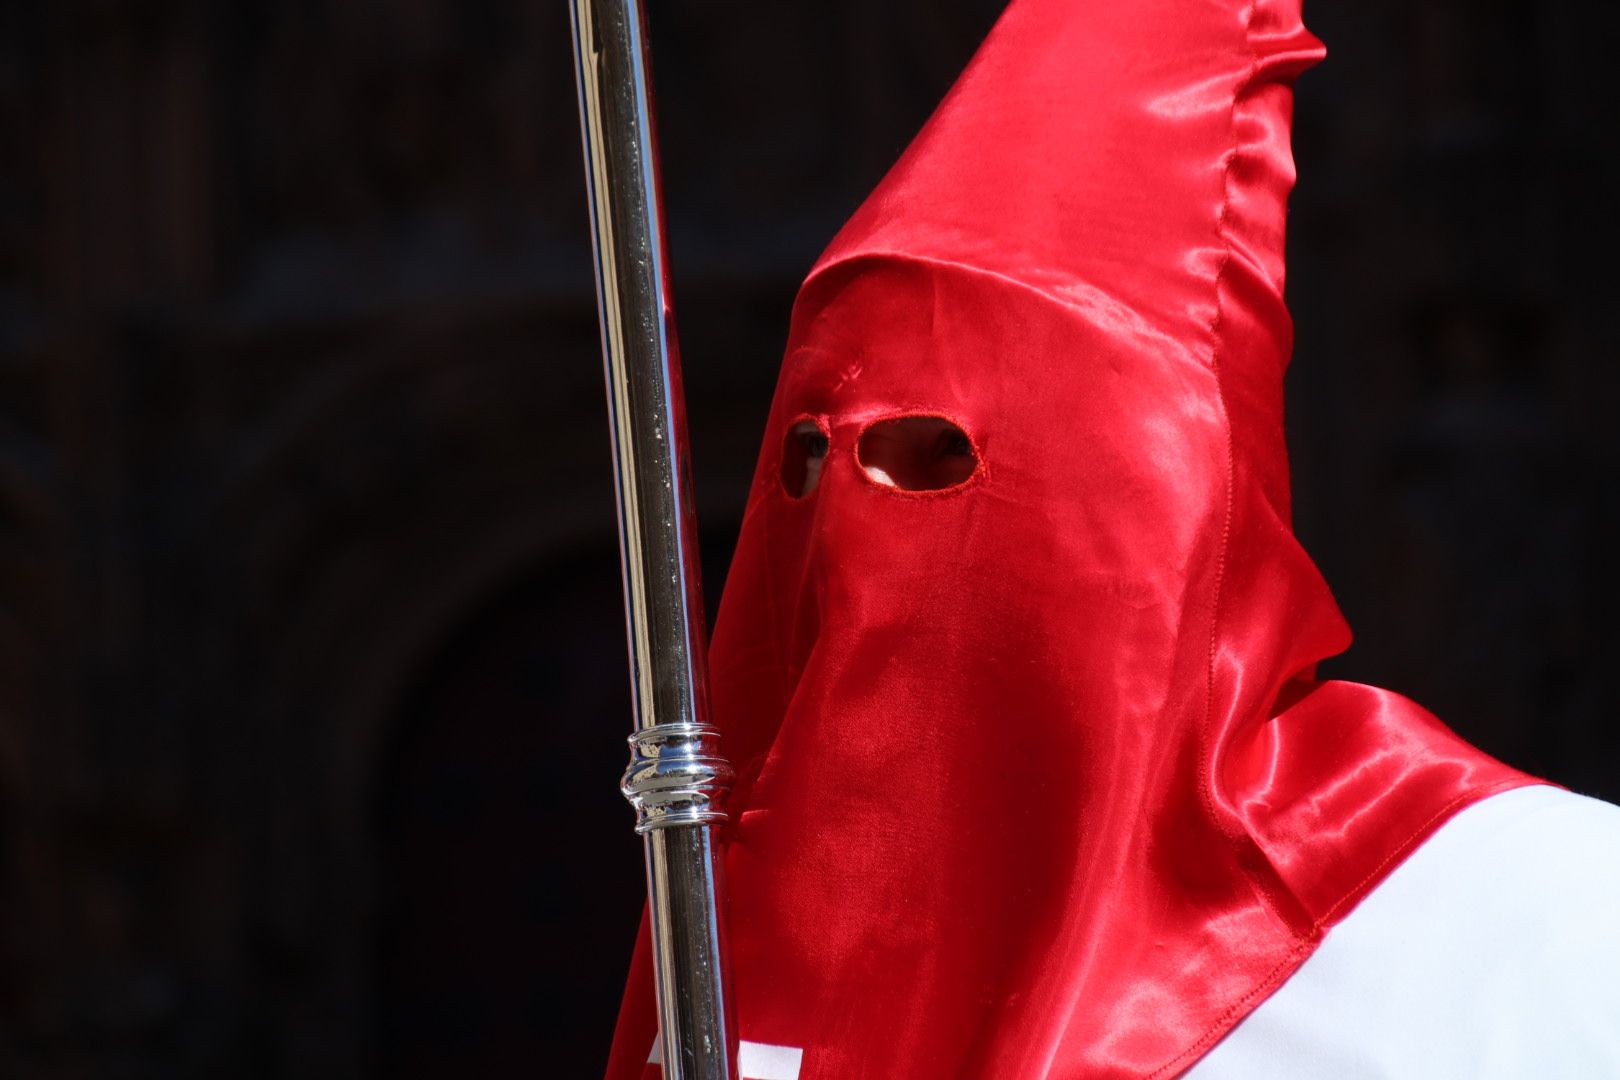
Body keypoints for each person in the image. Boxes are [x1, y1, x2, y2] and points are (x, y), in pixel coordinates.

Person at [605, 0, 1620, 1075]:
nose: (858, 532)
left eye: (941, 450)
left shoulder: (1534, 921)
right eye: (809, 462)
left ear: (1153, 484)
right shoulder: (727, 963)